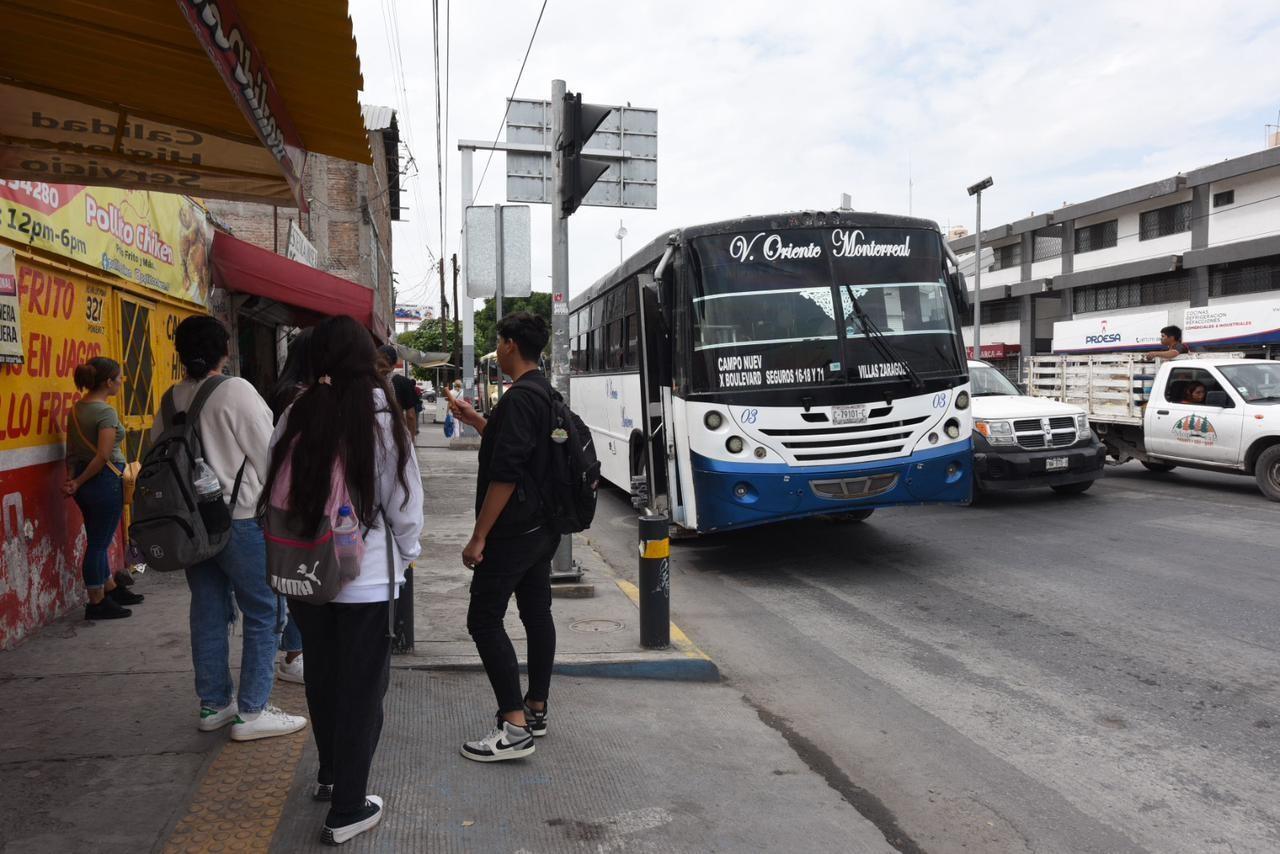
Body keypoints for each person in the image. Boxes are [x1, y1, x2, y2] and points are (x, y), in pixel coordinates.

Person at [263, 316, 423, 845]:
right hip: (365, 577)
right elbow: (403, 501)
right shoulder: (381, 418)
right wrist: (408, 552)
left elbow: (273, 482)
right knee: (361, 688)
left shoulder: (294, 413)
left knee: (324, 676)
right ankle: (349, 807)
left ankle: (331, 774)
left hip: (305, 568)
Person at [156, 316, 307, 742]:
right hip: (238, 521)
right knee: (265, 611)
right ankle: (253, 710)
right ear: (225, 348)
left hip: (191, 526)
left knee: (208, 611)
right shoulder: (235, 391)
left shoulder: (171, 398)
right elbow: (270, 456)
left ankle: (214, 705)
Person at [448, 312, 558, 762]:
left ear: (510, 345)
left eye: (499, 341)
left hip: (513, 532)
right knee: (536, 612)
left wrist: (479, 536)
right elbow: (522, 449)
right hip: (541, 528)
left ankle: (513, 728)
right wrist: (477, 421)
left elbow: (507, 473)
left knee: (483, 619)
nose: (497, 347)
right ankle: (536, 707)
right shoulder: (546, 393)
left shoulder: (518, 399)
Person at [64, 357, 143, 620]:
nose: (121, 382)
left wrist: (73, 479)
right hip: (103, 481)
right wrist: (79, 480)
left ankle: (109, 588)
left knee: (99, 537)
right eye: (119, 378)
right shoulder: (105, 412)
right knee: (98, 544)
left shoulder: (76, 409)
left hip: (87, 486)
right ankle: (96, 601)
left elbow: (72, 452)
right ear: (108, 382)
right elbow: (103, 456)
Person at [266, 328, 316, 685]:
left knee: (292, 577)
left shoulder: (284, 391)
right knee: (300, 577)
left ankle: (294, 650)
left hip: (285, 498)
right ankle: (294, 654)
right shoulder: (301, 397)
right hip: (298, 499)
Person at [376, 345, 419, 439]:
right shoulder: (405, 382)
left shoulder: (367, 382)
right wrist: (411, 439)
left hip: (371, 435)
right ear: (394, 363)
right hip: (396, 436)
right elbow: (410, 416)